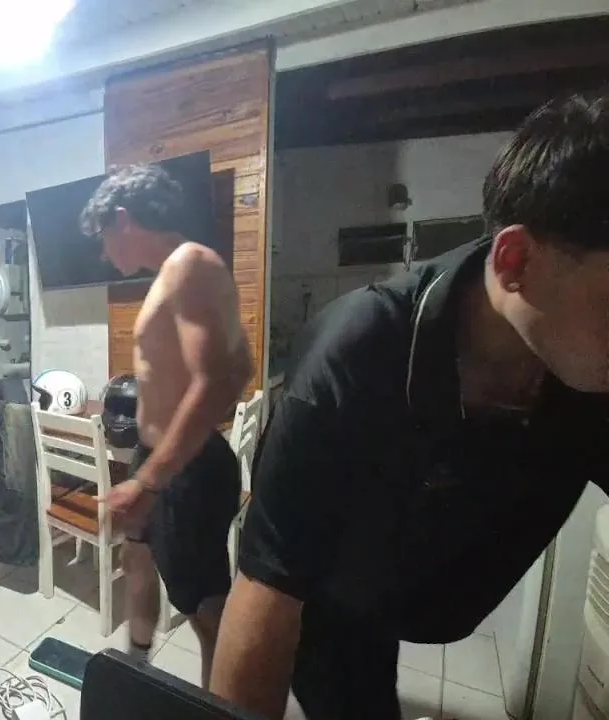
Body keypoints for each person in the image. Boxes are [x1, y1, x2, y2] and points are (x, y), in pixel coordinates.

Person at [209, 89, 609, 719]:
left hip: (407, 594)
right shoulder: (360, 352)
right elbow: (269, 587)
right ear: (516, 260)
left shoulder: (582, 366)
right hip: (335, 604)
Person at [79, 163, 252, 687]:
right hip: (159, 457)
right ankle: (136, 662)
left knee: (203, 609)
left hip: (185, 467)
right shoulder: (176, 273)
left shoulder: (188, 264)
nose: (104, 252)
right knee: (137, 558)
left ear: (123, 219)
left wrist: (151, 480)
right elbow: (241, 365)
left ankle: (220, 707)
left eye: (104, 237)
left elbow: (215, 378)